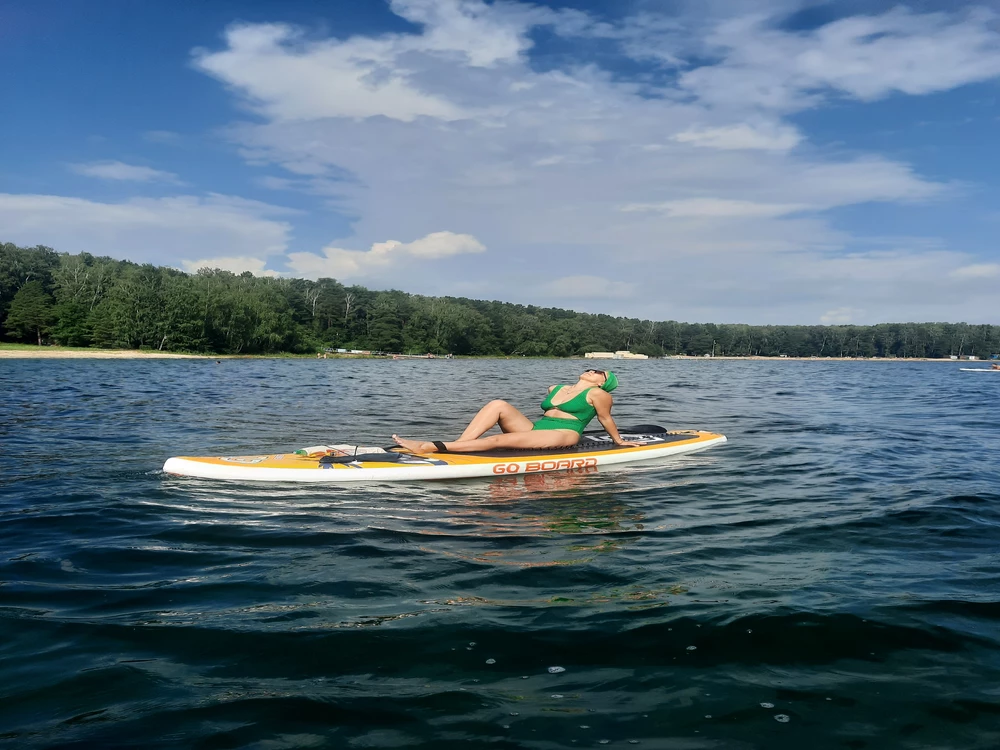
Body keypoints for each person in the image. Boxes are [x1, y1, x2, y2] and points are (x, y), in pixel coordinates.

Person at [392, 369, 641, 453]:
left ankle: (430, 446)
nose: (593, 370)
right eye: (593, 368)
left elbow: (605, 418)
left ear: (601, 382)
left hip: (565, 433)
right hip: (538, 428)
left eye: (600, 372)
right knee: (498, 404)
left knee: (498, 440)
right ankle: (459, 446)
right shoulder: (556, 388)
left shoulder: (599, 394)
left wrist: (618, 441)